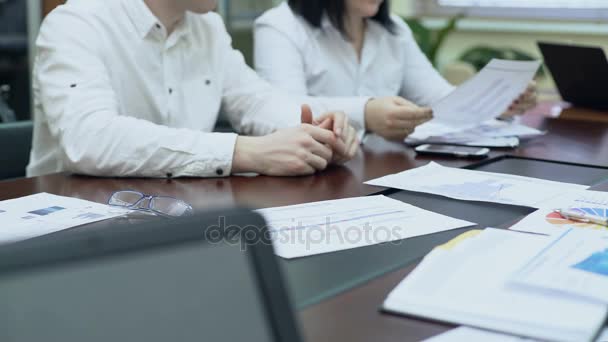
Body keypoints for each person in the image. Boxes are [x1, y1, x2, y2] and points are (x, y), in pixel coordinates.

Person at [27, 0, 391, 178]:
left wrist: (319, 130)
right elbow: (89, 141)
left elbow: (255, 101)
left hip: (177, 217)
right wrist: (242, 151)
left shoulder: (208, 28)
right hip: (75, 233)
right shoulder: (75, 23)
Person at [254, 0, 537, 141]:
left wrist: (499, 101)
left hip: (382, 171)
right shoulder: (279, 26)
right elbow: (283, 111)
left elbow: (439, 98)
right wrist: (366, 112)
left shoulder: (394, 30)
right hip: (313, 176)